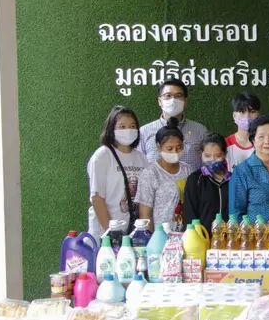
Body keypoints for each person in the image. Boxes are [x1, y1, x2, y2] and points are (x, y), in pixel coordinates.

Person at [87, 106, 148, 234]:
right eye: (122, 127)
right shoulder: (103, 155)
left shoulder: (141, 158)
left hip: (132, 231)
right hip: (105, 233)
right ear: (111, 129)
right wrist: (112, 232)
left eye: (132, 126)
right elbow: (97, 198)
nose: (128, 130)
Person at [138, 78, 208, 172]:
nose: (173, 100)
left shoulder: (200, 130)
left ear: (185, 101)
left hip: (191, 181)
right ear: (159, 101)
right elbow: (137, 165)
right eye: (168, 95)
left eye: (178, 96)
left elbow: (207, 165)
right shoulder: (144, 131)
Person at [135, 118, 193, 229]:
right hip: (160, 234)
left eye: (179, 148)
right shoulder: (150, 174)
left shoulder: (187, 170)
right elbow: (145, 214)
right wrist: (153, 236)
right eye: (170, 148)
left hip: (185, 233)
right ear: (158, 147)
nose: (175, 152)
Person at [183, 133, 230, 232]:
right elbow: (189, 213)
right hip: (202, 237)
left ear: (225, 154)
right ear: (201, 154)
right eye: (207, 156)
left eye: (218, 156)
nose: (212, 160)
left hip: (228, 237)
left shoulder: (233, 180)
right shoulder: (195, 180)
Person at [225, 91, 269, 171]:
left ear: (259, 114)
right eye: (242, 112)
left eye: (252, 112)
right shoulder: (225, 145)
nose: (247, 116)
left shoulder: (268, 144)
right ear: (234, 115)